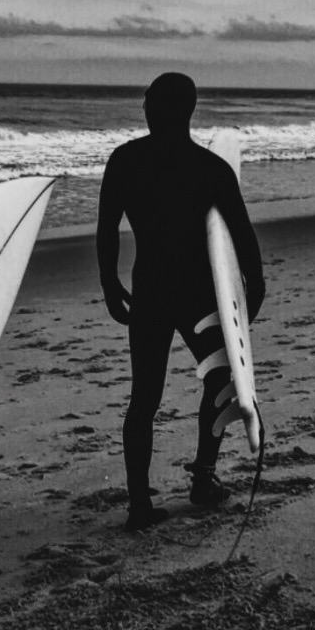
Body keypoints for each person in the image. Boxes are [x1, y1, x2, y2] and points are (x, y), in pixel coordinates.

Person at [96, 72, 265, 532]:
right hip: (195, 296)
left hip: (151, 291)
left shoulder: (126, 161)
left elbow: (108, 228)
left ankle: (140, 504)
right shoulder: (210, 170)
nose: (145, 108)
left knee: (144, 398)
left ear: (164, 108)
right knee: (220, 381)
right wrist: (255, 286)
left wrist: (109, 282)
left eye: (150, 101)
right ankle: (203, 477)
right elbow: (243, 238)